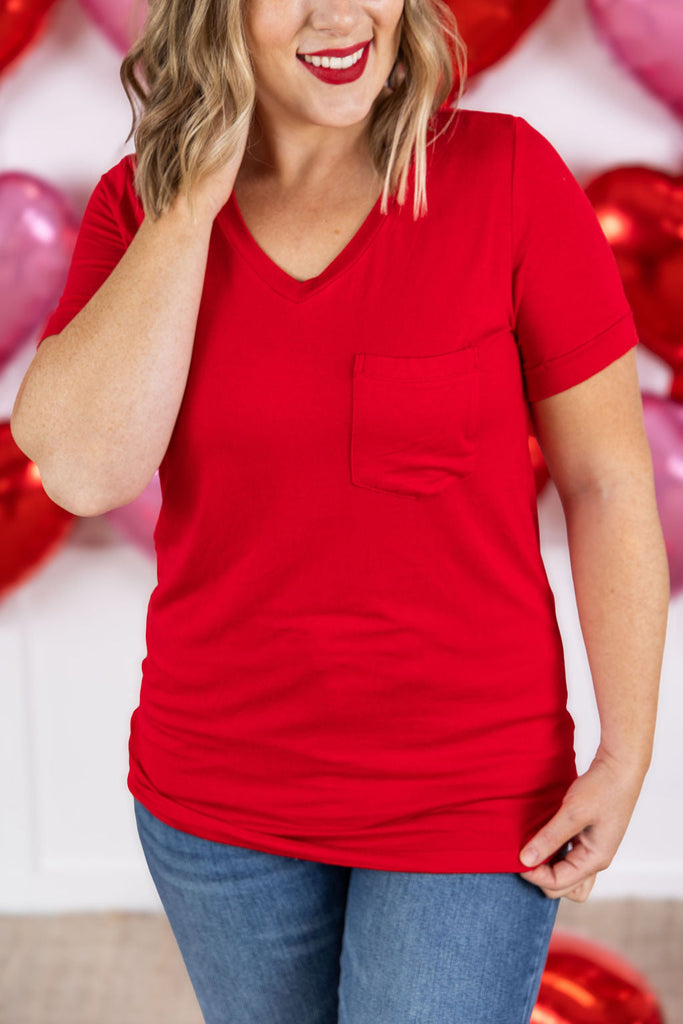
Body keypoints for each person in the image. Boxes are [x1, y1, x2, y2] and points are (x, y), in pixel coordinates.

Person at [10, 1, 669, 1022]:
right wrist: (189, 205)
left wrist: (625, 755)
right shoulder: (139, 208)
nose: (338, 13)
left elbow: (608, 482)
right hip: (218, 801)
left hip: (469, 793)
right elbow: (85, 472)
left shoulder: (505, 176)